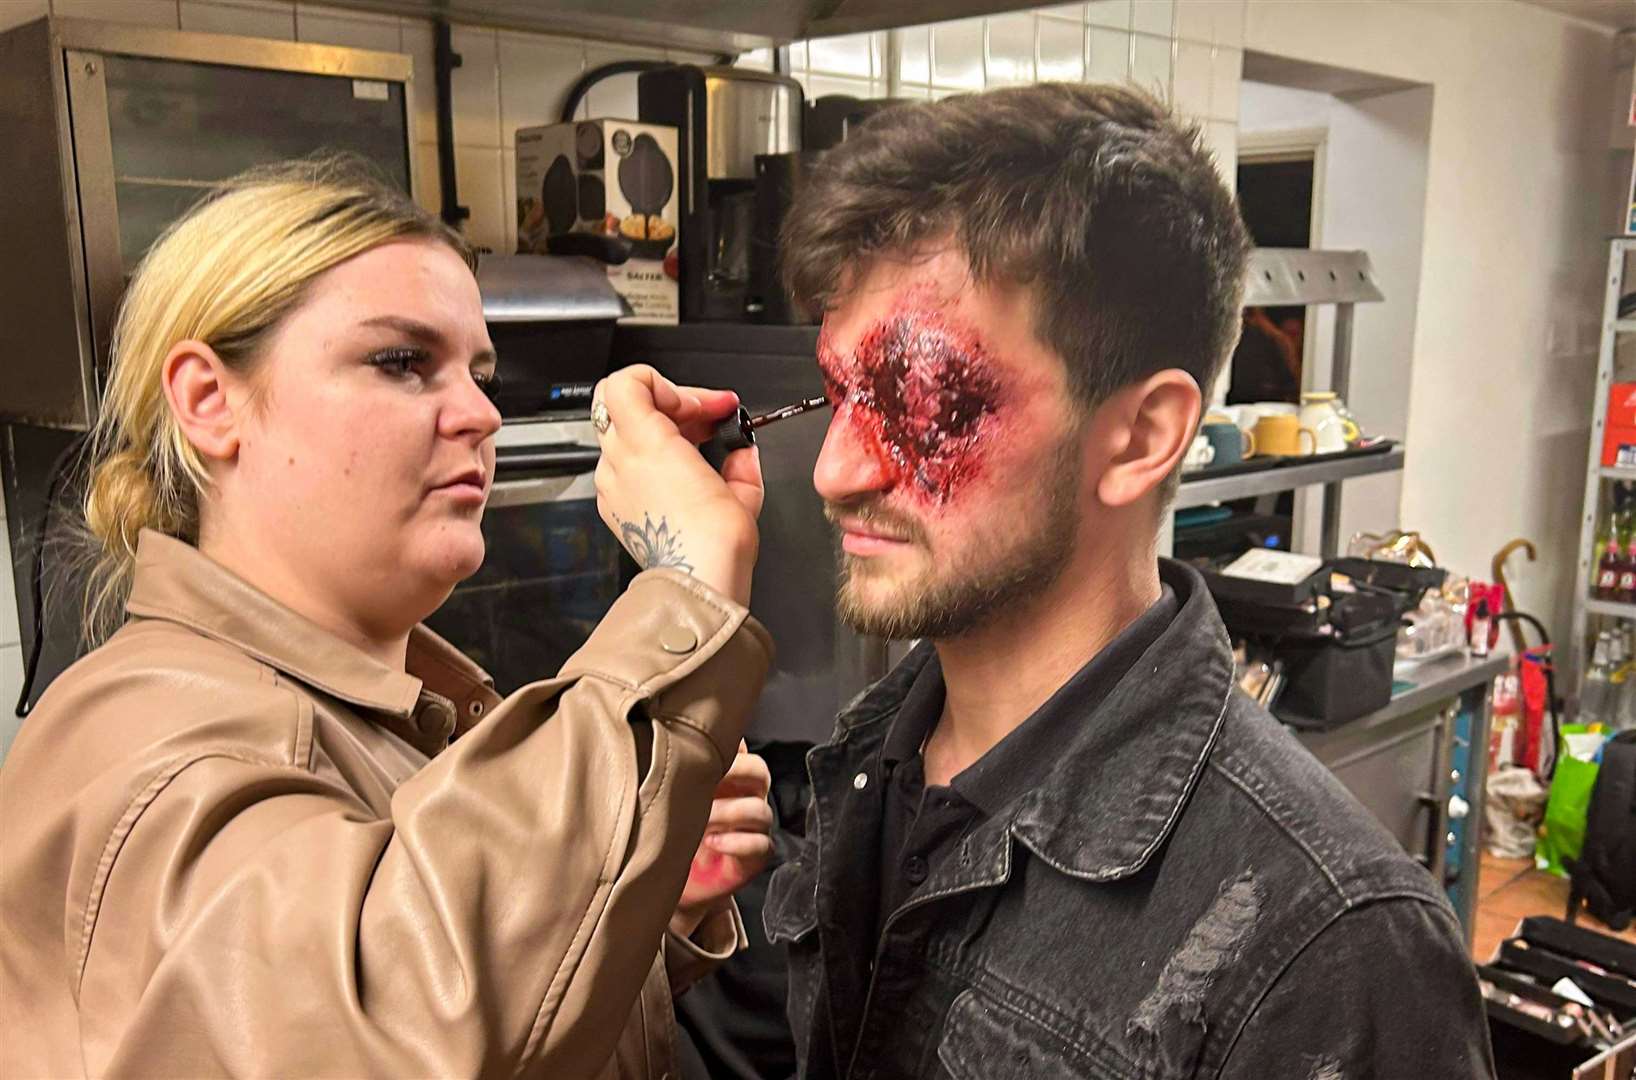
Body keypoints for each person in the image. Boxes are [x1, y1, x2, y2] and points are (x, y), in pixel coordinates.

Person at [763, 84, 1494, 1078]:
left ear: (1141, 436)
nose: (835, 472)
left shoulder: (1327, 949)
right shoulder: (858, 770)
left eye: (919, 399)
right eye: (842, 393)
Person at [0, 159, 778, 1079]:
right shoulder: (156, 747)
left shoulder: (388, 710)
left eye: (479, 373)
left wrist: (631, 901)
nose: (482, 413)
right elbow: (390, 1039)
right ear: (210, 402)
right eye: (403, 362)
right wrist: (684, 585)